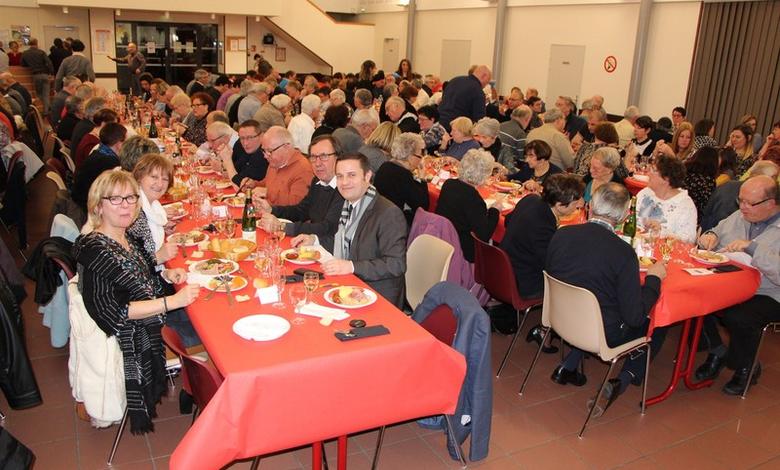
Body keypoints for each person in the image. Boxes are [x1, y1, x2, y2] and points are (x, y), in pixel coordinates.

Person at [73, 169, 200, 433]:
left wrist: (166, 272)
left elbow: (141, 275)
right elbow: (116, 312)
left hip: (149, 312)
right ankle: (199, 386)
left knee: (204, 313)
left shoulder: (124, 235)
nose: (126, 205)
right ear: (98, 206)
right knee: (208, 330)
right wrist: (172, 302)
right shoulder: (95, 251)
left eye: (131, 198)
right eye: (116, 199)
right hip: (134, 332)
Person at [546, 182, 667, 415]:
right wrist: (653, 280)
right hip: (602, 332)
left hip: (560, 318)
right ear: (623, 216)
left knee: (596, 297)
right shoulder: (622, 253)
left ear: (590, 206)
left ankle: (569, 363)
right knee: (658, 321)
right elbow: (634, 317)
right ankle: (623, 379)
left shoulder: (561, 233)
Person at [695, 175, 779, 395]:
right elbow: (716, 230)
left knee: (739, 316)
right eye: (739, 201)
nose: (742, 207)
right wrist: (709, 237)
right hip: (732, 282)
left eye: (748, 203)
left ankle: (746, 366)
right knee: (694, 299)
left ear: (771, 203)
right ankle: (717, 349)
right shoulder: (740, 216)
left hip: (769, 291)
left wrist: (753, 248)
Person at [291, 153, 407, 307]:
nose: (344, 182)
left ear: (367, 176)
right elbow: (349, 242)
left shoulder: (388, 213)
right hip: (351, 284)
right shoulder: (350, 205)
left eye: (351, 175)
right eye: (339, 176)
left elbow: (396, 264)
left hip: (377, 294)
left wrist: (350, 266)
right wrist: (315, 240)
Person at [502, 173, 584, 299]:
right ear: (560, 205)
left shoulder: (530, 199)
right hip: (523, 282)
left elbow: (507, 221)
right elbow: (552, 265)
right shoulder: (542, 226)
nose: (579, 205)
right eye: (575, 202)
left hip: (505, 269)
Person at [256, 135, 344, 239]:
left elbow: (327, 228)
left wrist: (282, 226)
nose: (317, 163)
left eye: (324, 156)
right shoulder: (317, 181)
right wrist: (272, 210)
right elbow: (301, 211)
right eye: (313, 157)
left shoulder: (344, 188)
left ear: (338, 158)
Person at [436, 149, 501, 263]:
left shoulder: (448, 184)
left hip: (442, 238)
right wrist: (495, 210)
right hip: (463, 249)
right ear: (483, 175)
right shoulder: (473, 199)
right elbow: (484, 235)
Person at [701, 160, 779, 231]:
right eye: (773, 177)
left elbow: (706, 213)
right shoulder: (745, 211)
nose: (775, 181)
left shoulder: (727, 185)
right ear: (756, 175)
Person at [636, 154, 697, 243]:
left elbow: (689, 240)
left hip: (663, 253)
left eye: (654, 170)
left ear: (666, 179)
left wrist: (662, 231)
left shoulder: (685, 205)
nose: (648, 173)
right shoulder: (645, 193)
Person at [374, 132, 429, 225]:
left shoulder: (385, 165)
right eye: (420, 155)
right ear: (410, 157)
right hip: (394, 223)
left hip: (378, 216)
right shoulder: (403, 175)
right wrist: (422, 178)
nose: (421, 158)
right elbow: (422, 206)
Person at [73, 122, 127, 211]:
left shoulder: (99, 150)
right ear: (118, 143)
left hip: (81, 200)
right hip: (88, 207)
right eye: (125, 141)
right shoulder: (110, 162)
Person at [254, 126, 314, 206]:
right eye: (264, 150)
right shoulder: (275, 162)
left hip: (283, 217)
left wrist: (268, 193)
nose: (265, 156)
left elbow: (297, 205)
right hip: (267, 211)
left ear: (286, 147)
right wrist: (254, 184)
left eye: (269, 151)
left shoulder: (303, 169)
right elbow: (268, 184)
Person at [437, 65, 491, 130]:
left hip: (438, 123)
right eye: (487, 81)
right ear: (484, 76)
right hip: (456, 129)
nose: (486, 85)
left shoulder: (454, 80)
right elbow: (479, 119)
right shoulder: (478, 91)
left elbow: (443, 100)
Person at [220, 120, 268, 189]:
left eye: (250, 138)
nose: (245, 143)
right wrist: (224, 165)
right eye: (242, 138)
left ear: (261, 136)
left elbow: (240, 186)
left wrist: (227, 160)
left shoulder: (264, 154)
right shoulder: (240, 145)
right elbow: (232, 172)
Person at [683, 147, 718, 225]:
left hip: (677, 210)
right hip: (693, 218)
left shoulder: (685, 173)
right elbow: (707, 204)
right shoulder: (708, 180)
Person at [21, 38, 54, 113]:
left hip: (35, 75)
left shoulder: (25, 53)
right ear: (36, 43)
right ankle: (47, 111)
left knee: (39, 94)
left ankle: (44, 109)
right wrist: (51, 73)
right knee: (46, 94)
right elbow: (49, 63)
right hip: (45, 75)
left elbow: (22, 64)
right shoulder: (41, 52)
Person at [497, 105, 532, 173]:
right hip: (507, 167)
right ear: (527, 119)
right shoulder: (520, 133)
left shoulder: (501, 125)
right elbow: (521, 159)